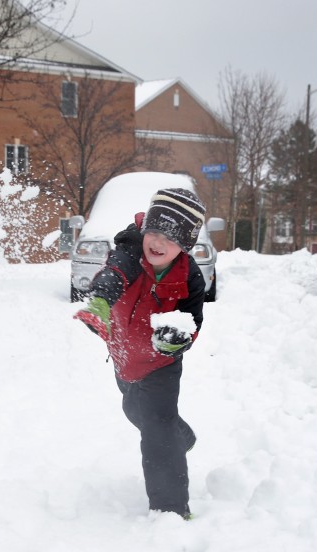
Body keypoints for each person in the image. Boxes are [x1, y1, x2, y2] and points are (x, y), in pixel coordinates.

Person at [74, 188, 207, 520]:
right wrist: (101, 300)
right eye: (155, 231)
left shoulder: (190, 277)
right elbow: (113, 275)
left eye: (171, 238)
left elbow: (192, 321)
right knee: (134, 408)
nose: (158, 243)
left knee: (157, 428)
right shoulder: (130, 250)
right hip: (124, 356)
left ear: (186, 246)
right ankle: (182, 435)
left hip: (161, 363)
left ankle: (170, 510)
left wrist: (178, 340)